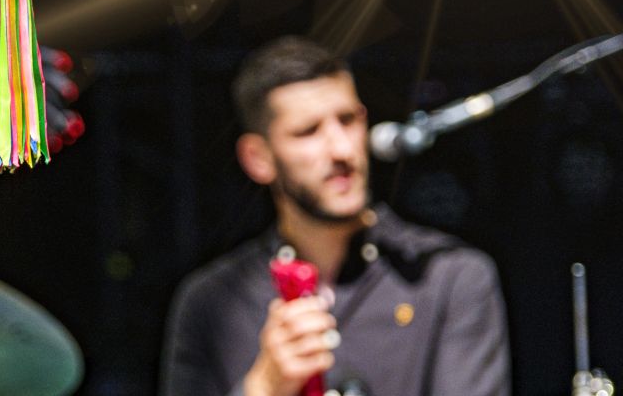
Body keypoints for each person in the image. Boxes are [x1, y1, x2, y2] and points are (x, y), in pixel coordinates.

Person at [161, 36, 510, 396]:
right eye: (308, 132)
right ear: (258, 158)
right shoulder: (209, 301)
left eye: (348, 121)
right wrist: (264, 387)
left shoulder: (446, 275)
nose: (342, 149)